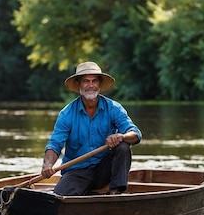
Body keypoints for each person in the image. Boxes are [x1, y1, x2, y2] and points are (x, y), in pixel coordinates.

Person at [41, 61, 142, 195]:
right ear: (78, 84)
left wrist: (122, 136)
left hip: (104, 171)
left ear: (99, 83)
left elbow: (135, 134)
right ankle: (93, 191)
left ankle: (115, 191)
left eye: (94, 81)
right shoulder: (66, 114)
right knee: (60, 196)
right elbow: (55, 144)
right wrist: (48, 164)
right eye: (86, 81)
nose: (91, 85)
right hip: (77, 172)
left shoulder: (113, 108)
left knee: (123, 146)